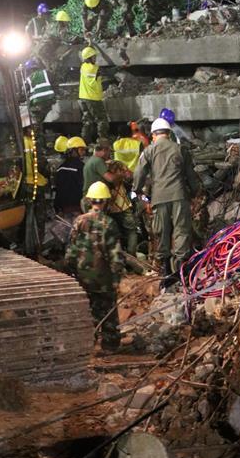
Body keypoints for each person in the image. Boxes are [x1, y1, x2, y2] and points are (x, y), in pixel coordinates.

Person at [133, 117, 198, 288]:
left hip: (159, 198)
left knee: (161, 232)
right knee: (181, 232)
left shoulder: (149, 151)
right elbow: (191, 176)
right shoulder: (180, 149)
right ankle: (181, 273)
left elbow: (139, 174)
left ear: (154, 134)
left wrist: (138, 191)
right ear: (168, 134)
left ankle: (165, 272)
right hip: (179, 196)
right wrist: (194, 193)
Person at [64, 181, 125, 353]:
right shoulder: (109, 223)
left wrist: (71, 272)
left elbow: (71, 251)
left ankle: (87, 345)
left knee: (87, 312)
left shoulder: (79, 221)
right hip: (104, 278)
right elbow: (116, 255)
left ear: (90, 200)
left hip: (83, 277)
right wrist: (116, 279)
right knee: (108, 312)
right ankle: (110, 345)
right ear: (106, 201)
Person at [102, 160, 137, 256]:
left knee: (116, 234)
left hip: (111, 210)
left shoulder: (106, 174)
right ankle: (132, 256)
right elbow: (130, 176)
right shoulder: (120, 174)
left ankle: (119, 257)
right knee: (131, 232)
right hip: (124, 207)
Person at [78, 46, 110, 143]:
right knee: (102, 120)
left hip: (83, 98)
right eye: (94, 57)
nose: (95, 58)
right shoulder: (94, 69)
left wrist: (90, 43)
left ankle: (85, 143)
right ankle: (102, 141)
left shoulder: (83, 67)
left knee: (87, 121)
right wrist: (120, 67)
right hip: (93, 98)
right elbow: (108, 73)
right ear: (89, 58)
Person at [55, 136, 87, 223]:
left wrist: (58, 208)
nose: (84, 152)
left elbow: (58, 189)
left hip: (64, 208)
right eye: (81, 150)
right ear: (73, 150)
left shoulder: (60, 168)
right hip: (77, 207)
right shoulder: (81, 167)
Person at [24, 58, 56, 126]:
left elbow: (24, 91)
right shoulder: (46, 73)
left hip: (37, 103)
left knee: (36, 118)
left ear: (29, 69)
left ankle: (38, 127)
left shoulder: (28, 79)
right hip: (49, 100)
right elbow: (54, 82)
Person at [82, 138, 112, 208]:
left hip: (88, 197)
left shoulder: (92, 160)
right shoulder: (98, 161)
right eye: (109, 152)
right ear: (104, 150)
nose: (109, 155)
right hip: (94, 199)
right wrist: (121, 175)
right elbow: (110, 178)